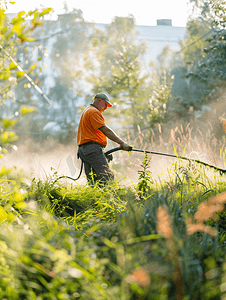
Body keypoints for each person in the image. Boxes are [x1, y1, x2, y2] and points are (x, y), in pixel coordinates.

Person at [77, 92, 131, 184]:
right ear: (99, 100)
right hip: (91, 149)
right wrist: (122, 143)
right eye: (105, 104)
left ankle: (95, 198)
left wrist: (102, 153)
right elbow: (106, 131)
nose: (105, 108)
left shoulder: (87, 111)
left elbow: (91, 137)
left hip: (84, 150)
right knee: (107, 177)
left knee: (93, 181)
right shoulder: (93, 112)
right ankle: (110, 197)